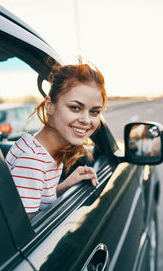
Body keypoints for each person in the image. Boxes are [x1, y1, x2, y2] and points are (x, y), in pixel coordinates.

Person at [6, 60, 107, 220]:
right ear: (50, 106)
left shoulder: (39, 149)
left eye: (94, 112)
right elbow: (23, 238)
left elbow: (36, 201)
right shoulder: (31, 161)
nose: (86, 120)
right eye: (75, 107)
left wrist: (66, 185)